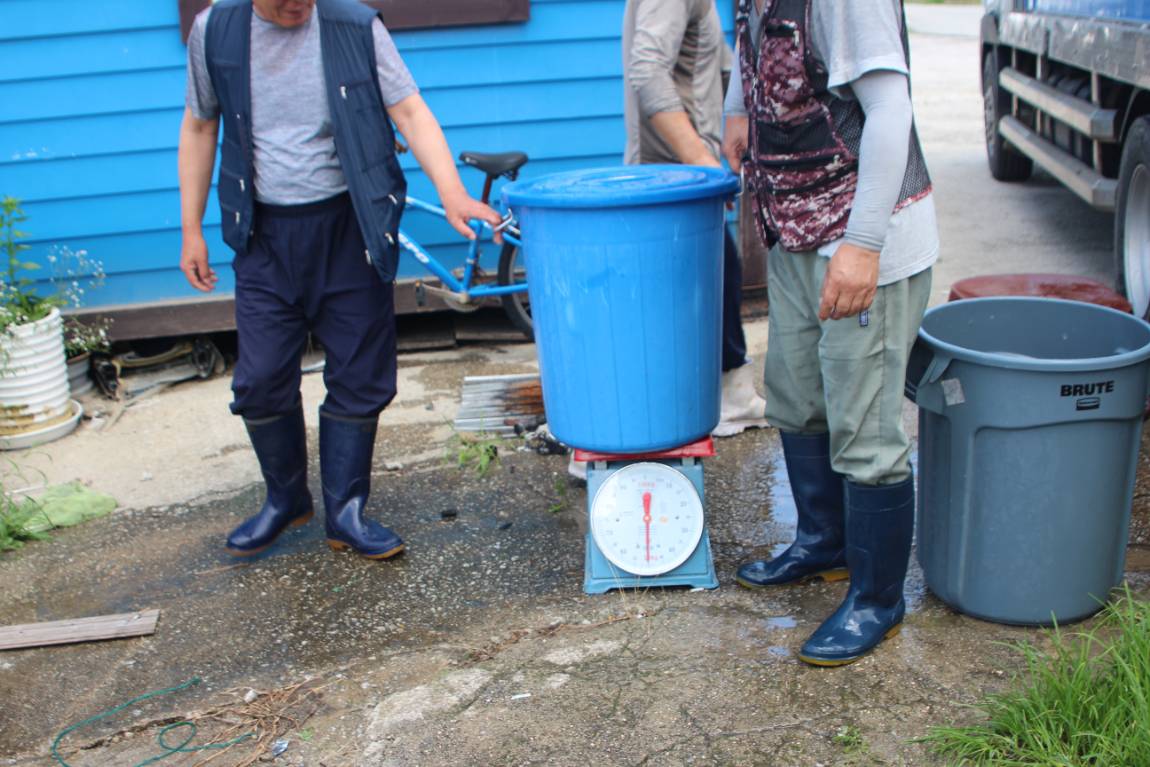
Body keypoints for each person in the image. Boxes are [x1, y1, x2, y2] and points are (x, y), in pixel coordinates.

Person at [178, 0, 501, 559]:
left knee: (360, 373)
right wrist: (191, 229)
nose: (296, 5)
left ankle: (346, 512)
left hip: (351, 226)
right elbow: (200, 126)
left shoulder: (356, 26)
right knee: (259, 379)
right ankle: (285, 499)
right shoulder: (215, 32)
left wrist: (452, 192)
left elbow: (409, 111)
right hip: (264, 234)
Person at [723, 0, 939, 666]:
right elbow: (753, 44)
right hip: (794, 230)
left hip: (862, 238)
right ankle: (824, 544)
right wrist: (736, 108)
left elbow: (890, 109)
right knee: (795, 395)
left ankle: (878, 599)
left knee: (864, 427)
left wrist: (864, 244)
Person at [622, 0, 769, 438]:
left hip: (679, 174)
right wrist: (703, 165)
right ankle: (634, 425)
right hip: (670, 177)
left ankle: (726, 395)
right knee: (691, 291)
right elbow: (648, 71)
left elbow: (720, 66)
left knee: (718, 279)